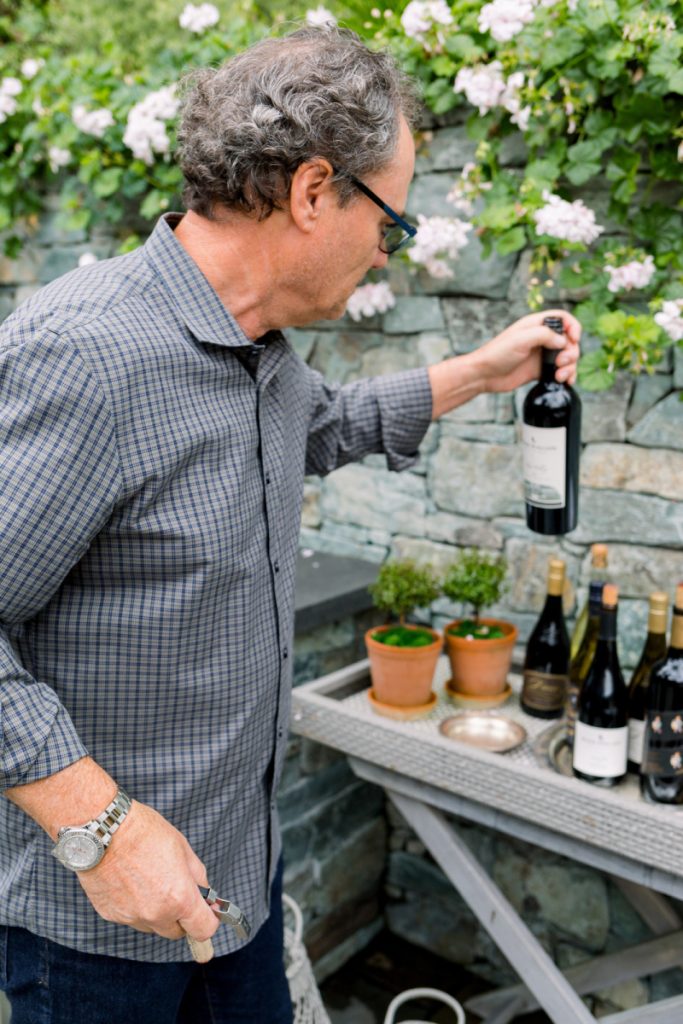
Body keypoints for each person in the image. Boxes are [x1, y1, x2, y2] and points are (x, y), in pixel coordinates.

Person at [0, 24, 580, 1024]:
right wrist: (101, 828)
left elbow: (327, 425)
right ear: (315, 192)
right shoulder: (87, 353)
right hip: (97, 927)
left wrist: (482, 371)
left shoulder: (257, 348)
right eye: (391, 222)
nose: (385, 251)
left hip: (241, 888)